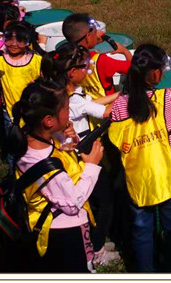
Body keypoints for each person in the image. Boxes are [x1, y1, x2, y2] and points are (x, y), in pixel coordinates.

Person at [107, 44, 171, 272]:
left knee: (141, 229)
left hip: (136, 177)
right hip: (166, 175)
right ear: (155, 74)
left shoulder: (121, 104)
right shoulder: (169, 99)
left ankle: (146, 270)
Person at [9, 78, 103, 272]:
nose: (69, 114)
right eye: (66, 108)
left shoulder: (32, 138)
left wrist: (67, 138)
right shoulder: (45, 165)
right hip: (65, 231)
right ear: (49, 120)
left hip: (56, 227)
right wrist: (92, 166)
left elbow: (58, 155)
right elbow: (72, 203)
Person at [40, 43, 121, 267]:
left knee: (93, 200)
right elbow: (102, 111)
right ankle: (96, 250)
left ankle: (94, 239)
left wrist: (118, 94)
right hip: (80, 154)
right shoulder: (70, 100)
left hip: (69, 151)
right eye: (85, 66)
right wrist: (129, 100)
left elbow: (88, 105)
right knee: (104, 200)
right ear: (71, 72)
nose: (89, 68)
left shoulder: (59, 91)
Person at [61, 13, 132, 100]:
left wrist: (92, 40)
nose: (98, 33)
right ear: (87, 37)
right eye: (95, 31)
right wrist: (125, 51)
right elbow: (134, 69)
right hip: (105, 110)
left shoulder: (63, 58)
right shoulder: (101, 61)